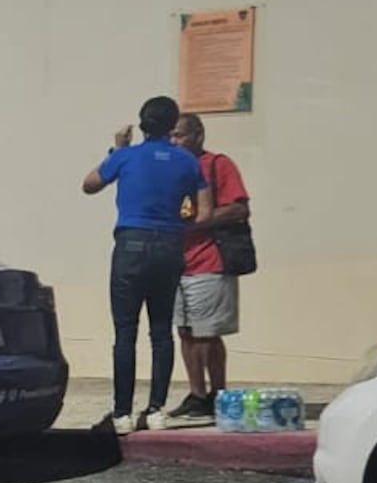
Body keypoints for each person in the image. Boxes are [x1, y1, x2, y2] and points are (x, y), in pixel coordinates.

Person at [82, 95, 214, 434]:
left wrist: (116, 149)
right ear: (172, 126)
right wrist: (176, 224)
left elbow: (90, 185)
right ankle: (156, 410)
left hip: (131, 245)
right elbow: (202, 211)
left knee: (125, 332)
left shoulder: (126, 156)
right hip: (168, 247)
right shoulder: (188, 162)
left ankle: (122, 413)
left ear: (141, 124)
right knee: (161, 331)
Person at [171, 113, 251, 420]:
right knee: (185, 332)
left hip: (210, 259)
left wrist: (198, 222)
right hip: (177, 263)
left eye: (180, 135)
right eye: (171, 136)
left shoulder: (217, 164)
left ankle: (218, 393)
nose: (174, 142)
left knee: (207, 333)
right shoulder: (169, 168)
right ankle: (197, 394)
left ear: (198, 136)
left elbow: (239, 208)